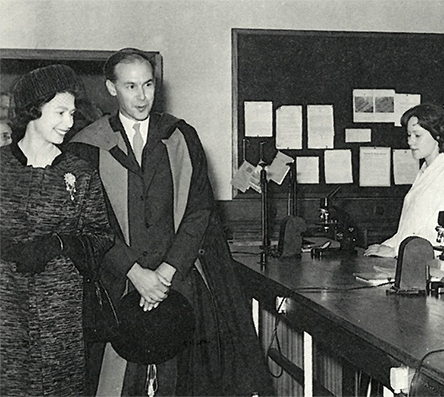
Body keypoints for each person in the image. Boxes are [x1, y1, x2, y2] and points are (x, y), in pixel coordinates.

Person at [69, 48, 273, 396]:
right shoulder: (88, 147)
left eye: (148, 84)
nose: (142, 96)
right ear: (111, 88)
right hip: (118, 286)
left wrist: (164, 273)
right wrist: (135, 272)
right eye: (130, 86)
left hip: (179, 283)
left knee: (183, 382)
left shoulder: (180, 137)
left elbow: (199, 210)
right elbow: (88, 224)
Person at [0, 64, 114, 396]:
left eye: (72, 112)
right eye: (60, 112)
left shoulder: (80, 172)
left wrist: (59, 244)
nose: (69, 122)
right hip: (5, 312)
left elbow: (101, 237)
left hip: (61, 317)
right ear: (32, 110)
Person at [364, 103, 444, 258]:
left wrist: (395, 251)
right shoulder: (427, 170)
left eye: (417, 135)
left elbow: (440, 233)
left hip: (434, 266)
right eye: (409, 135)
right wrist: (387, 245)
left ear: (438, 136)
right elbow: (409, 229)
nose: (410, 142)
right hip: (414, 259)